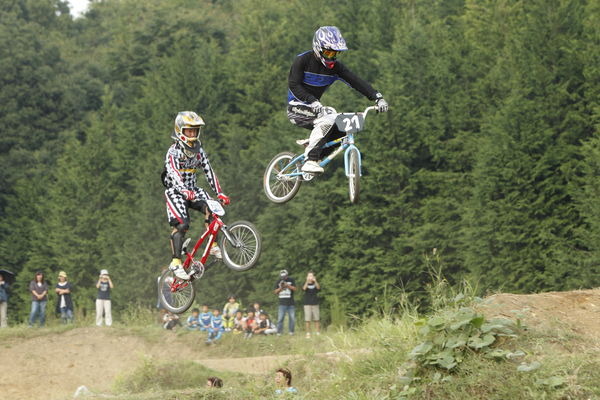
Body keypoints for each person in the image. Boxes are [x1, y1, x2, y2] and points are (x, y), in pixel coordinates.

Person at [287, 26, 389, 174]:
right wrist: (312, 100)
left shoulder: (336, 68)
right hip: (296, 107)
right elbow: (294, 85)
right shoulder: (302, 60)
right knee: (328, 119)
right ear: (318, 48)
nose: (331, 57)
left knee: (343, 129)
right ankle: (310, 159)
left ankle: (316, 150)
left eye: (335, 53)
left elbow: (357, 82)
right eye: (328, 52)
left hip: (317, 109)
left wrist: (377, 97)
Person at [163, 111, 230, 280]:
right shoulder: (173, 152)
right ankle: (176, 261)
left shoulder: (199, 151)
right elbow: (173, 172)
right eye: (189, 130)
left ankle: (213, 245)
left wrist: (219, 192)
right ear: (180, 130)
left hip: (193, 189)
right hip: (176, 191)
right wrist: (183, 189)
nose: (192, 134)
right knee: (182, 225)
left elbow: (209, 172)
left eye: (195, 130)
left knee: (214, 208)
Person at [274, 269, 296, 335]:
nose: (283, 277)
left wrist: (288, 286)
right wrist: (281, 288)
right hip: (282, 303)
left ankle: (291, 332)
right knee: (280, 318)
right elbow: (275, 292)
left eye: (285, 276)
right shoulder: (278, 281)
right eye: (282, 276)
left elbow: (295, 289)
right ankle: (279, 332)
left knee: (292, 318)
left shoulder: (291, 280)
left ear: (287, 275)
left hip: (290, 302)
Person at [302, 271, 321, 338]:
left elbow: (318, 288)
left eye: (311, 276)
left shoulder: (315, 283)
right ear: (307, 277)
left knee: (317, 319)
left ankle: (317, 332)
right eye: (309, 276)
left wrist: (315, 281)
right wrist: (307, 281)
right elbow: (304, 288)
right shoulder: (305, 283)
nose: (310, 277)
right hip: (307, 304)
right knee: (307, 319)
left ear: (313, 277)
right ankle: (308, 333)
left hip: (315, 303)